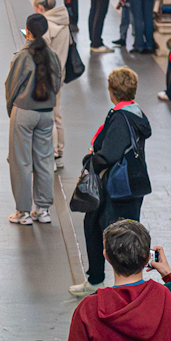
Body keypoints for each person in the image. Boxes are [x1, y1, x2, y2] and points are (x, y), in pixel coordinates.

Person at [71, 68, 151, 297]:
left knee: (110, 234)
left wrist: (90, 159)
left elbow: (111, 154)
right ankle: (111, 280)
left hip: (116, 188)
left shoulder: (120, 117)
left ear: (112, 91)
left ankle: (108, 282)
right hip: (131, 184)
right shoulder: (135, 113)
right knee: (116, 230)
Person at [4, 12, 62, 224]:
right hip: (46, 114)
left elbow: (11, 86)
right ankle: (43, 210)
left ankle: (23, 212)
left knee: (21, 162)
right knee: (45, 160)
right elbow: (57, 84)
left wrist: (12, 110)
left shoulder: (22, 56)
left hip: (24, 113)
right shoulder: (52, 56)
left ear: (27, 31)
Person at [32, 0, 72, 164]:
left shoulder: (46, 25)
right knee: (57, 114)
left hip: (47, 75)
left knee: (49, 114)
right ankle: (60, 148)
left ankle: (54, 150)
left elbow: (38, 46)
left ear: (40, 8)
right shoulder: (63, 22)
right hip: (59, 72)